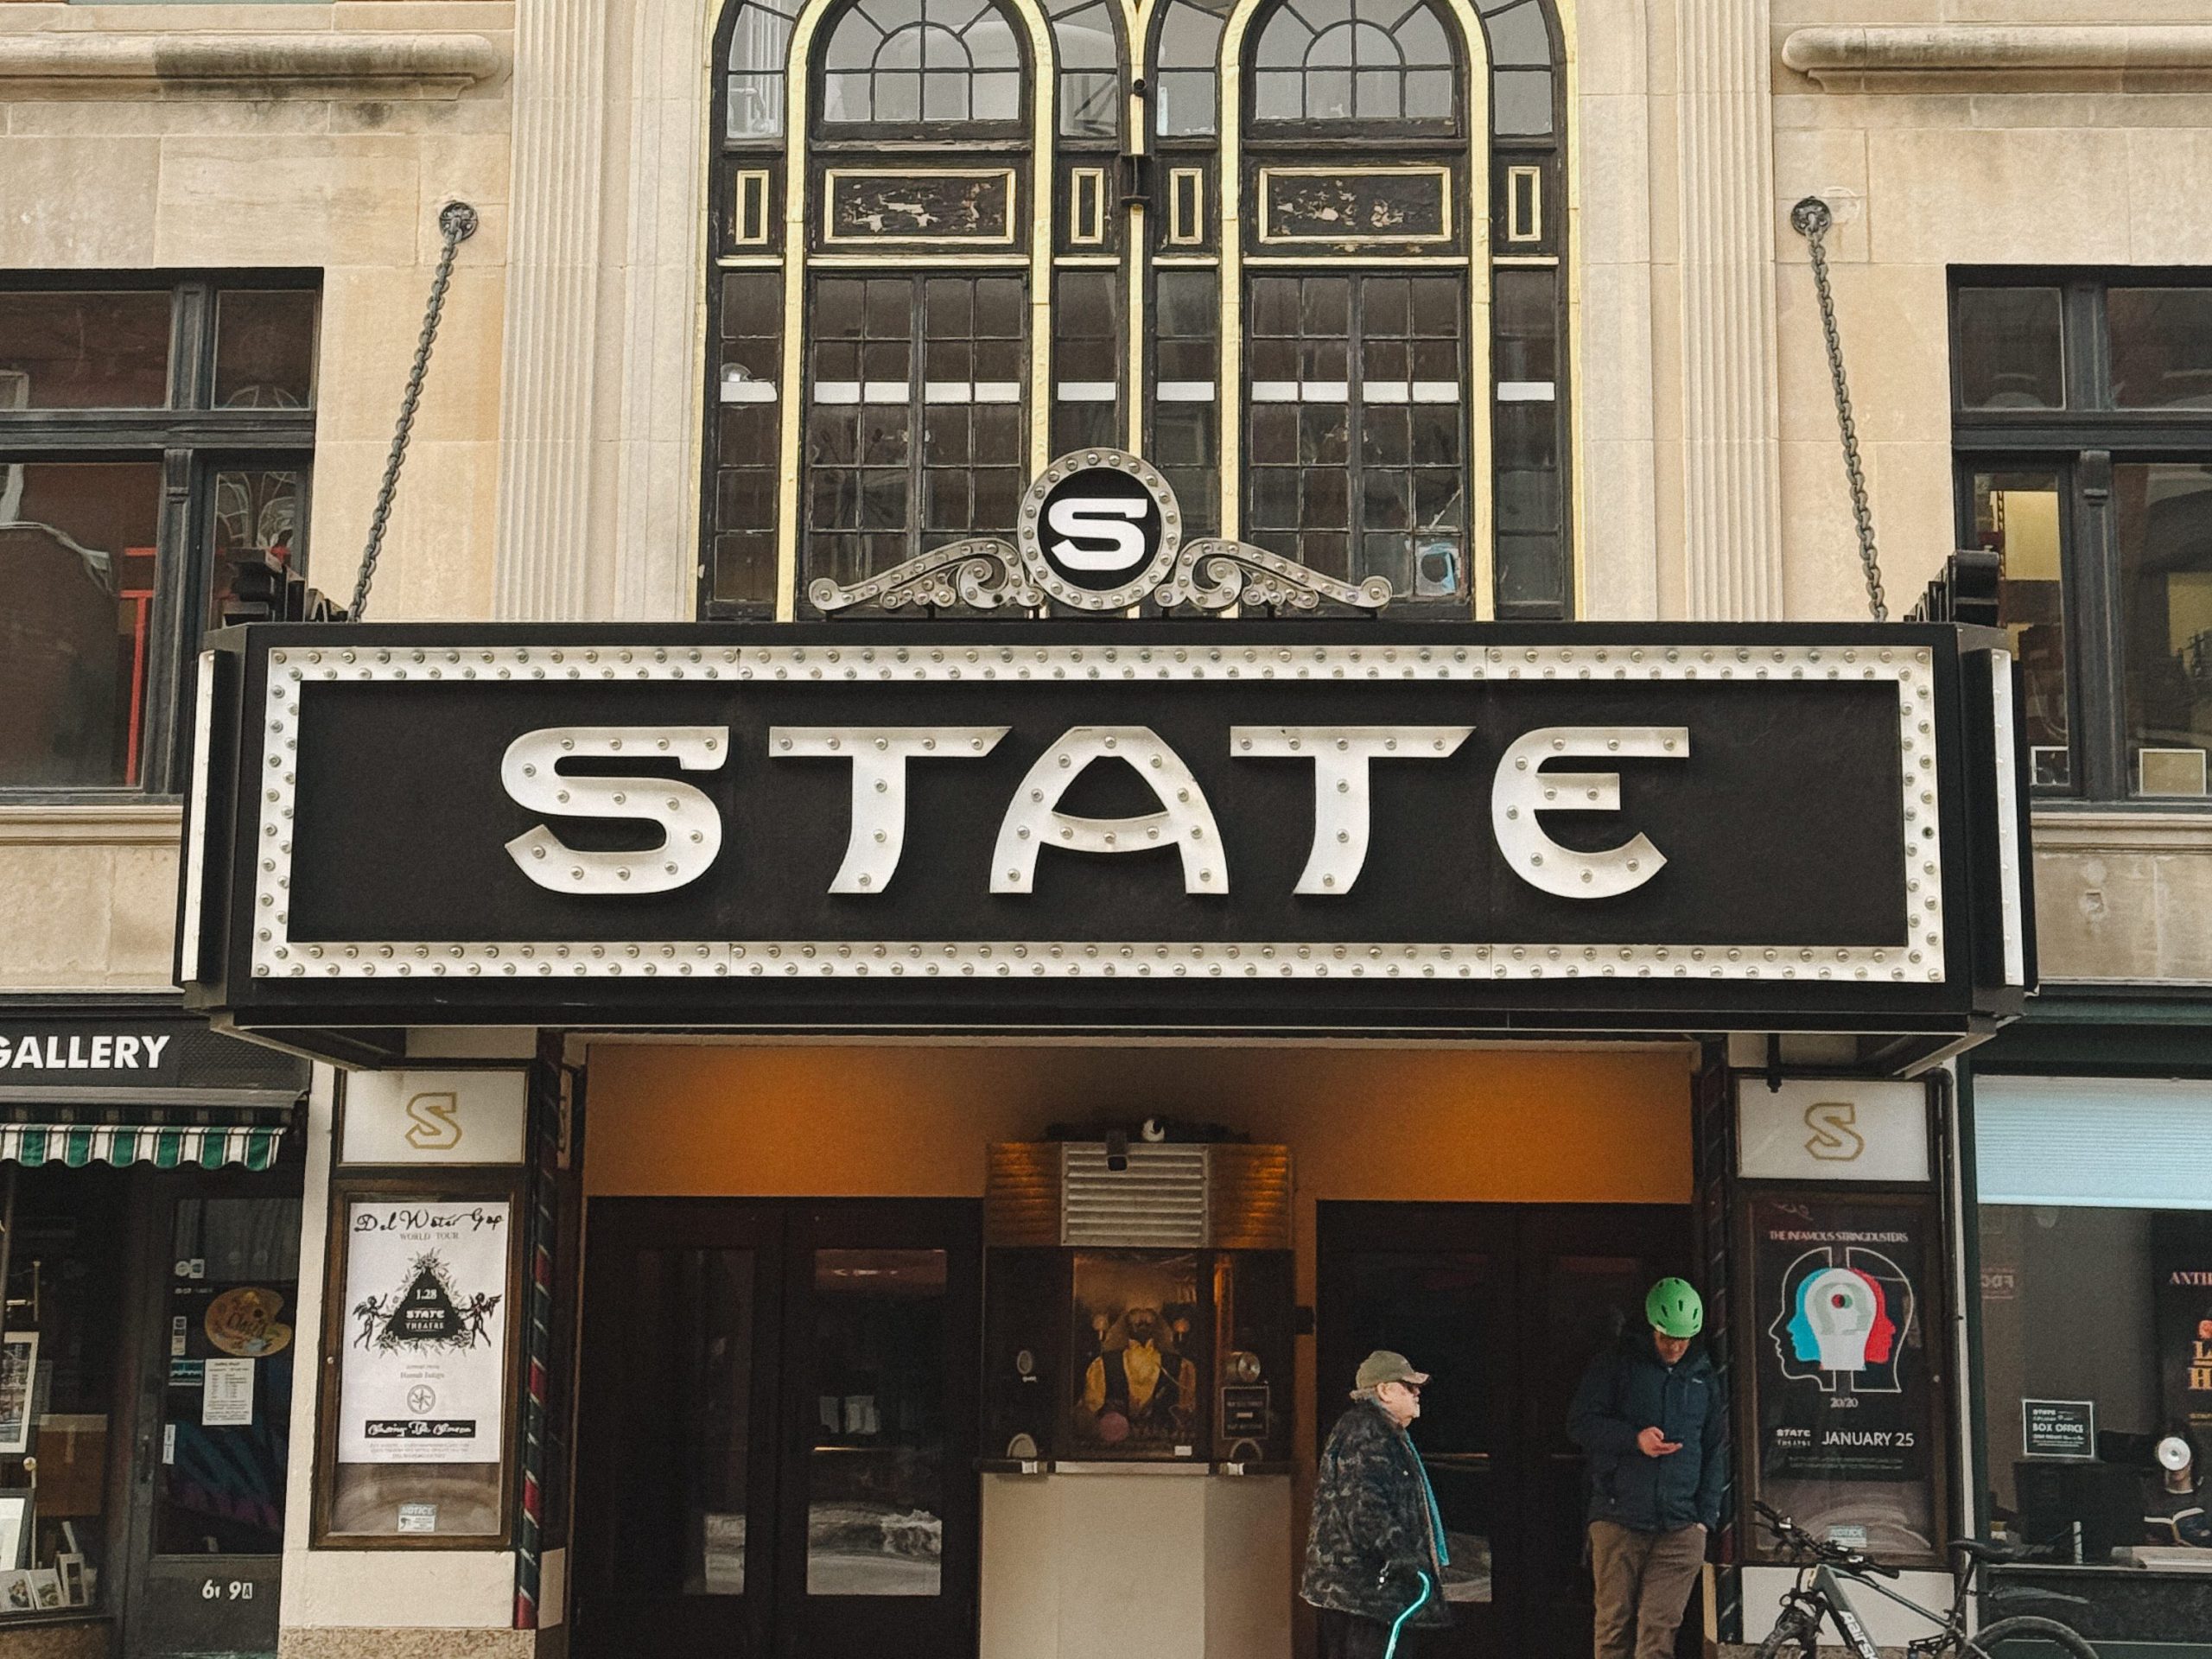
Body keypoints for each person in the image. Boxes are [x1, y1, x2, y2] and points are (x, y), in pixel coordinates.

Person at [1567, 1278, 1726, 1659]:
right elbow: (1580, 1424)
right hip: (1619, 1516)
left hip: (1681, 1526)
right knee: (1613, 1626)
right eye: (1666, 1336)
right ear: (1651, 1327)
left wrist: (1704, 1518)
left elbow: (1715, 1447)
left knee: (1659, 1634)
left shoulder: (1703, 1376)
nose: (1674, 1346)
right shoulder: (1616, 1365)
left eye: (1683, 1338)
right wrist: (1634, 1439)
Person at [1301, 1350, 1452, 1659]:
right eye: (1408, 1386)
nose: (1417, 1392)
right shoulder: (1366, 1432)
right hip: (1367, 1596)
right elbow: (1365, 1506)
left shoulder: (1375, 1430)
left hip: (1363, 1593)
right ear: (1384, 1390)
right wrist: (1403, 1555)